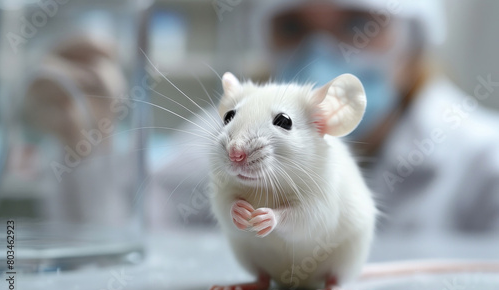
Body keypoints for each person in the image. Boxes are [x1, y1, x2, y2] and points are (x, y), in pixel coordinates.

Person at [153, 0, 499, 237]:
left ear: (413, 42)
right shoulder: (225, 136)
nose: (318, 52)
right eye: (291, 26)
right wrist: (99, 148)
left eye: (358, 24)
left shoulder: (484, 159)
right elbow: (137, 221)